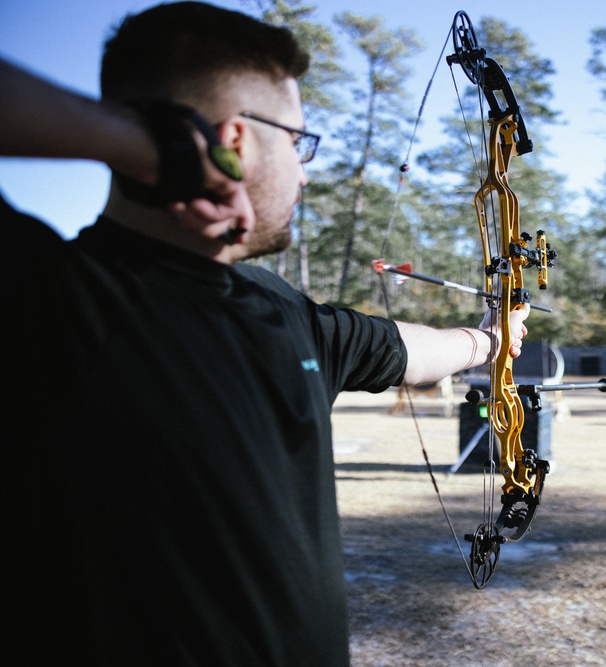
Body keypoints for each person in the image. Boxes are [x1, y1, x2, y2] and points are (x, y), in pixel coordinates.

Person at [0, 2, 529, 664]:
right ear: (235, 141)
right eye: (298, 142)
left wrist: (490, 339)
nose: (305, 170)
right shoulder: (47, 300)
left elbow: (406, 348)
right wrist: (146, 143)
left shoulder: (289, 314)